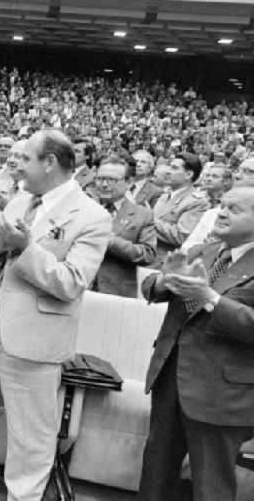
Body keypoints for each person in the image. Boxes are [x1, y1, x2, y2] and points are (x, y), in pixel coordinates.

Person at [0, 129, 111, 500]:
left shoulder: (92, 217)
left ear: (50, 163)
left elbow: (71, 282)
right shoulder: (17, 201)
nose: (18, 166)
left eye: (26, 159)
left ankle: (23, 494)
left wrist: (26, 249)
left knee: (31, 428)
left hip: (36, 336)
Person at [138, 184, 254, 501]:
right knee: (154, 477)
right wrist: (165, 279)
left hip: (221, 394)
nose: (222, 213)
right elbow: (151, 285)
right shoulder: (206, 249)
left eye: (235, 209)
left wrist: (209, 298)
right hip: (170, 379)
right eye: (222, 205)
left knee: (210, 487)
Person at [92, 157, 157, 297]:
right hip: (77, 288)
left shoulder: (143, 214)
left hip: (115, 293)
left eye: (111, 180)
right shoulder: (82, 207)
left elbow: (148, 254)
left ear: (128, 182)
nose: (104, 184)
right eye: (100, 179)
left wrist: (111, 241)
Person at [152, 153, 210, 261]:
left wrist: (149, 219)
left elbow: (181, 236)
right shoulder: (165, 196)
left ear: (188, 174)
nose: (168, 171)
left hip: (165, 260)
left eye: (174, 168)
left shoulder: (197, 202)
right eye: (169, 166)